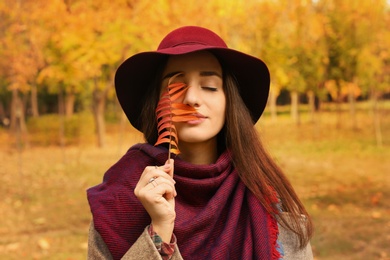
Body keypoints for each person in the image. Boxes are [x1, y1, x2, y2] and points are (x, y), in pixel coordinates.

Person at [87, 26, 314, 260]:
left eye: (209, 86)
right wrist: (159, 233)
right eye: (175, 87)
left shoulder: (267, 205)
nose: (192, 99)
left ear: (230, 102)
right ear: (156, 102)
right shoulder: (116, 202)